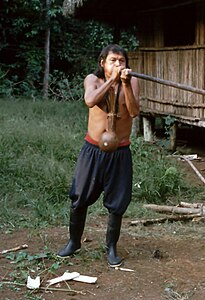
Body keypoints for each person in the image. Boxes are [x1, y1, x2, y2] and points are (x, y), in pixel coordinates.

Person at [57, 44, 140, 267]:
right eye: (113, 60)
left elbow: (133, 112)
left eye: (122, 61)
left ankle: (111, 247)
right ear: (102, 62)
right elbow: (90, 100)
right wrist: (113, 80)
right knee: (79, 197)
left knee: (117, 202)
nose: (118, 64)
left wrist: (124, 84)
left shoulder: (131, 82)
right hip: (92, 150)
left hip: (120, 151)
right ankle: (74, 242)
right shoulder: (92, 80)